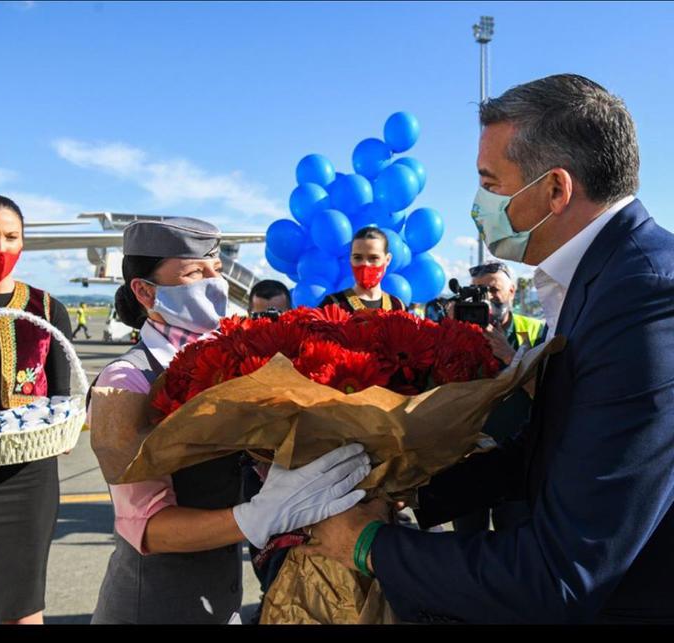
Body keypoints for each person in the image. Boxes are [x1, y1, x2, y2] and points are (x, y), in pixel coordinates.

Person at [301, 74, 674, 623]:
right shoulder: (599, 278)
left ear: (555, 190)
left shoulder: (644, 297)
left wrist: (367, 544)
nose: (481, 204)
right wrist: (415, 493)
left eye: (491, 183)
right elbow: (551, 447)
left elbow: (562, 575)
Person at [88, 218, 370, 624]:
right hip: (152, 606)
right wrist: (257, 516)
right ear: (145, 291)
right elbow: (146, 528)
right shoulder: (128, 380)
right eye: (194, 273)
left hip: (220, 599)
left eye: (216, 270)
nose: (214, 283)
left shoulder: (228, 360)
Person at [0, 193, 72, 624]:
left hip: (30, 473)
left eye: (10, 237)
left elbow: (63, 392)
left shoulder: (46, 308)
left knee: (25, 605)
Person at [450, 261, 545, 535]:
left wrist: (509, 355)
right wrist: (449, 331)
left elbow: (547, 392)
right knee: (468, 544)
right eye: (477, 292)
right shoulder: (454, 331)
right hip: (467, 459)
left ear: (512, 291)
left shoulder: (536, 332)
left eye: (494, 289)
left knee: (516, 543)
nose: (486, 297)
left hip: (518, 460)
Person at [243, 278, 293, 622]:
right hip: (253, 469)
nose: (270, 322)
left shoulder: (309, 346)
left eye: (279, 314)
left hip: (297, 469)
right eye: (261, 315)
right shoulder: (234, 349)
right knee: (261, 547)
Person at [319, 227, 406, 312]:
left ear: (387, 260)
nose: (365, 264)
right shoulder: (332, 306)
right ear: (350, 259)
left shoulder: (398, 307)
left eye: (373, 258)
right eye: (358, 257)